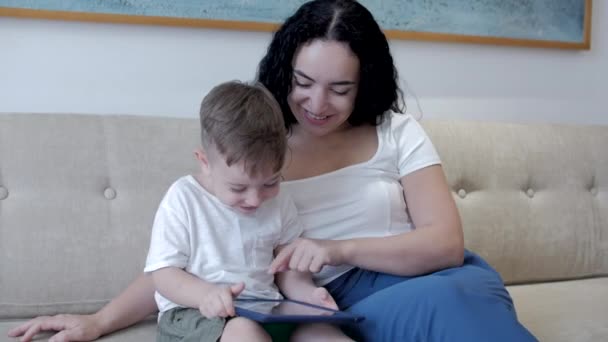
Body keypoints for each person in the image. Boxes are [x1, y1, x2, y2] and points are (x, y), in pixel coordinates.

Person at [8, 1, 537, 341]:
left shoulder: (398, 131)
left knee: (462, 295)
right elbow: (196, 256)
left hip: (431, 274)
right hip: (336, 298)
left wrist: (337, 248)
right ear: (285, 70)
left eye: (341, 89)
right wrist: (98, 322)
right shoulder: (257, 149)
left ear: (366, 83)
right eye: (304, 81)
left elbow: (444, 244)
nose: (318, 103)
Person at [146, 80, 352, 342]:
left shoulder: (280, 202)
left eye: (270, 182)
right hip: (195, 314)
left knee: (324, 334)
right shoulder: (184, 198)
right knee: (245, 333)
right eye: (238, 187)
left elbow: (286, 269)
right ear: (205, 163)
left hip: (265, 311)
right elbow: (163, 274)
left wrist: (308, 294)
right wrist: (205, 295)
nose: (255, 200)